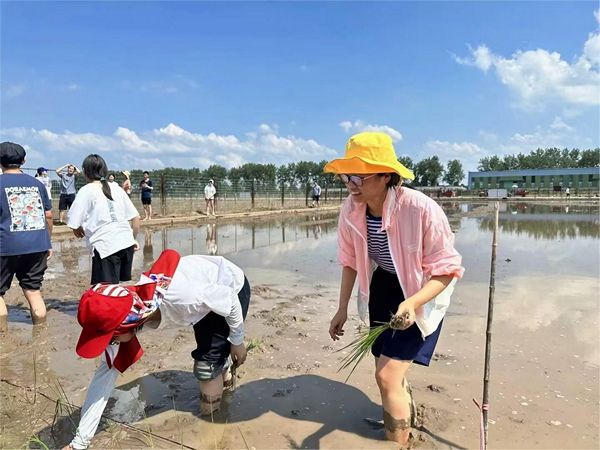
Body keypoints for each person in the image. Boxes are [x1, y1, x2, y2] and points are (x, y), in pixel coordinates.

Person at [325, 132, 464, 446]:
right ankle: (401, 407)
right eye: (348, 175)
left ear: (386, 175)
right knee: (383, 365)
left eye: (360, 176)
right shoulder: (351, 210)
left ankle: (397, 443)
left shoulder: (420, 209)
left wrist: (412, 303)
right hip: (385, 284)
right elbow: (350, 261)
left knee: (386, 376)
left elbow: (447, 271)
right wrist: (342, 307)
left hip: (424, 286)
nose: (351, 183)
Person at [62, 249, 251, 450]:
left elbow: (229, 300)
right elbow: (103, 378)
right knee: (214, 354)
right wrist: (79, 444)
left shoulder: (183, 297)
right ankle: (223, 368)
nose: (111, 343)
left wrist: (237, 341)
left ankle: (213, 430)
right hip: (202, 301)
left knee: (207, 366)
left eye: (111, 338)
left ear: (126, 325)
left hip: (230, 288)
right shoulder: (130, 312)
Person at [0, 142, 53, 331]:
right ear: (23, 161)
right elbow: (48, 215)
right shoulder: (37, 184)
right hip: (37, 245)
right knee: (33, 290)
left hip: (5, 246)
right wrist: (48, 241)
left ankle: (3, 338)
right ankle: (40, 335)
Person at [67, 154, 140, 284]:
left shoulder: (86, 190)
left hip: (106, 247)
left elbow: (73, 220)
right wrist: (133, 239)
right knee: (118, 287)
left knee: (105, 291)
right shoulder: (116, 188)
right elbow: (136, 218)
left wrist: (77, 228)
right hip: (126, 244)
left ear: (85, 172)